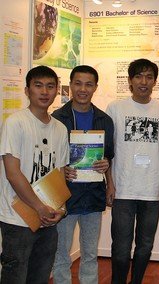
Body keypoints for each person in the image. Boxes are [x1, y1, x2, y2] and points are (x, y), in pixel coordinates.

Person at [106, 58, 159, 284]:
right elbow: (107, 149)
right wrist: (110, 182)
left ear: (155, 81)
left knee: (145, 246)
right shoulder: (115, 108)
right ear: (130, 81)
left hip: (151, 191)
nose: (144, 81)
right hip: (123, 190)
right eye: (138, 76)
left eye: (149, 77)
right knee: (121, 248)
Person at [0, 65, 69, 283]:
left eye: (50, 86)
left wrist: (61, 209)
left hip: (48, 218)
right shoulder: (15, 122)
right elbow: (12, 173)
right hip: (18, 219)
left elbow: (59, 174)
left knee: (39, 276)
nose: (44, 91)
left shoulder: (60, 128)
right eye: (38, 86)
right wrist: (39, 207)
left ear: (56, 91)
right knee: (15, 277)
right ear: (27, 90)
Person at [51, 65, 114, 284]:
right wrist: (61, 170)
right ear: (70, 84)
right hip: (64, 195)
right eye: (78, 83)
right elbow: (50, 159)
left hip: (94, 194)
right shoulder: (57, 118)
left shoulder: (104, 120)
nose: (83, 89)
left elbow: (109, 157)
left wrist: (109, 181)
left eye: (88, 84)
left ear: (95, 87)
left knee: (89, 254)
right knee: (61, 254)